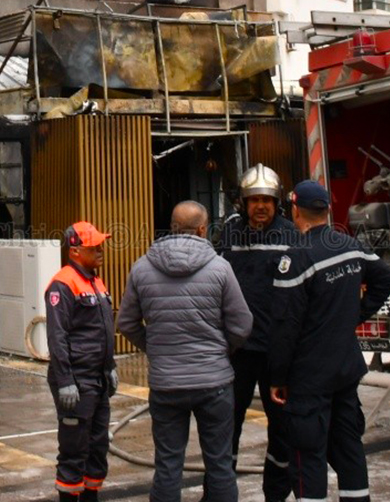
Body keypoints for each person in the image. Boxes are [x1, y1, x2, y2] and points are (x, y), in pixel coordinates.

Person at [268, 180, 390, 502]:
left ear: (295, 211)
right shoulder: (350, 245)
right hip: (345, 369)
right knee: (349, 447)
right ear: (326, 210)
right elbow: (386, 278)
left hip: (309, 376)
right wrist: (355, 315)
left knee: (307, 454)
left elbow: (285, 328)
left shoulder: (295, 259)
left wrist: (277, 378)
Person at [117, 201, 253, 502]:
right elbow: (242, 324)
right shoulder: (220, 267)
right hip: (214, 382)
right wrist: (220, 350)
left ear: (173, 226)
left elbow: (125, 323)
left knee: (167, 465)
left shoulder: (142, 267)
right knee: (219, 464)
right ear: (203, 229)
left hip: (167, 384)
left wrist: (155, 348)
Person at [214, 164, 300, 502]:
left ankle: (276, 495)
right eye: (254, 200)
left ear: (277, 202)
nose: (261, 206)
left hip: (278, 355)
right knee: (226, 427)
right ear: (243, 203)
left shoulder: (291, 236)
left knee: (282, 429)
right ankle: (220, 493)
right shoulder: (230, 235)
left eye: (267, 199)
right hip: (237, 354)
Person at [45, 221, 118, 502]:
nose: (100, 250)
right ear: (75, 251)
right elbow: (57, 336)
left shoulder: (95, 280)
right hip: (77, 380)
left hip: (97, 379)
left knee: (98, 446)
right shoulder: (62, 284)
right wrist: (65, 382)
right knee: (74, 450)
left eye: (100, 244)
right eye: (94, 246)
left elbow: (103, 330)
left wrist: (110, 367)